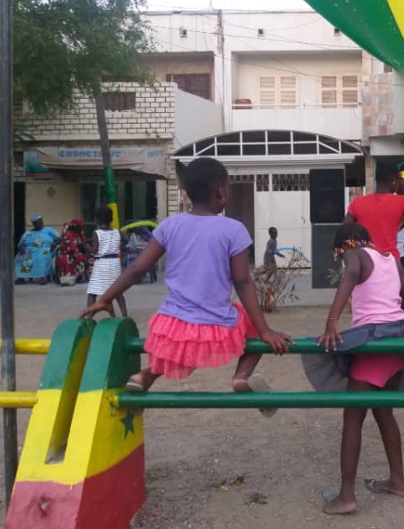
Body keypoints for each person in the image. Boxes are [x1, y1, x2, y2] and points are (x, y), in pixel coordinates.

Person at [80, 157, 293, 398]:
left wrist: (105, 298)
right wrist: (265, 330)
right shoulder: (233, 230)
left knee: (184, 346)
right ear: (220, 192)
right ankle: (241, 376)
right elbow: (243, 282)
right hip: (216, 322)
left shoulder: (170, 225)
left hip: (172, 322)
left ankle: (145, 376)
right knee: (251, 325)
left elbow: (137, 269)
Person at [309, 222, 404, 516]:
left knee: (353, 418)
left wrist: (332, 320)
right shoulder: (390, 259)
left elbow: (352, 274)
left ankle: (346, 496)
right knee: (384, 413)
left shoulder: (355, 253)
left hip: (374, 342)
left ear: (345, 245)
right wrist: (386, 298)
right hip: (399, 340)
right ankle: (398, 481)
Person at [344, 160, 404, 262]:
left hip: (367, 261)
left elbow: (344, 232)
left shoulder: (357, 202)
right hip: (391, 261)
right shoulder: (401, 202)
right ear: (393, 180)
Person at [87, 206, 127, 317]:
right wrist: (118, 245)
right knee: (118, 291)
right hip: (114, 263)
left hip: (101, 264)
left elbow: (94, 251)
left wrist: (87, 246)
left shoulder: (97, 233)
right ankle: (125, 316)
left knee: (92, 292)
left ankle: (89, 317)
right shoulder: (117, 232)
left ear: (98, 220)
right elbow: (126, 240)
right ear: (111, 219)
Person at [15, 213, 61, 285]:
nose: (39, 223)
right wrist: (21, 247)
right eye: (36, 222)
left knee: (40, 257)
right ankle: (21, 277)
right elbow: (21, 243)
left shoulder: (49, 230)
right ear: (33, 224)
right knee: (20, 257)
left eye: (40, 221)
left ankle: (42, 277)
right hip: (29, 250)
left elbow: (59, 238)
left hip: (44, 249)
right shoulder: (28, 233)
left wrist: (55, 244)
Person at [56, 219, 88, 285]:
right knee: (66, 259)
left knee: (81, 257)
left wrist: (82, 237)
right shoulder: (68, 234)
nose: (81, 228)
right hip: (66, 253)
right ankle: (66, 278)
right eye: (80, 226)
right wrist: (78, 248)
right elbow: (71, 248)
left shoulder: (79, 234)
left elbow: (84, 243)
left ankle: (79, 277)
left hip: (75, 253)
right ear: (76, 227)